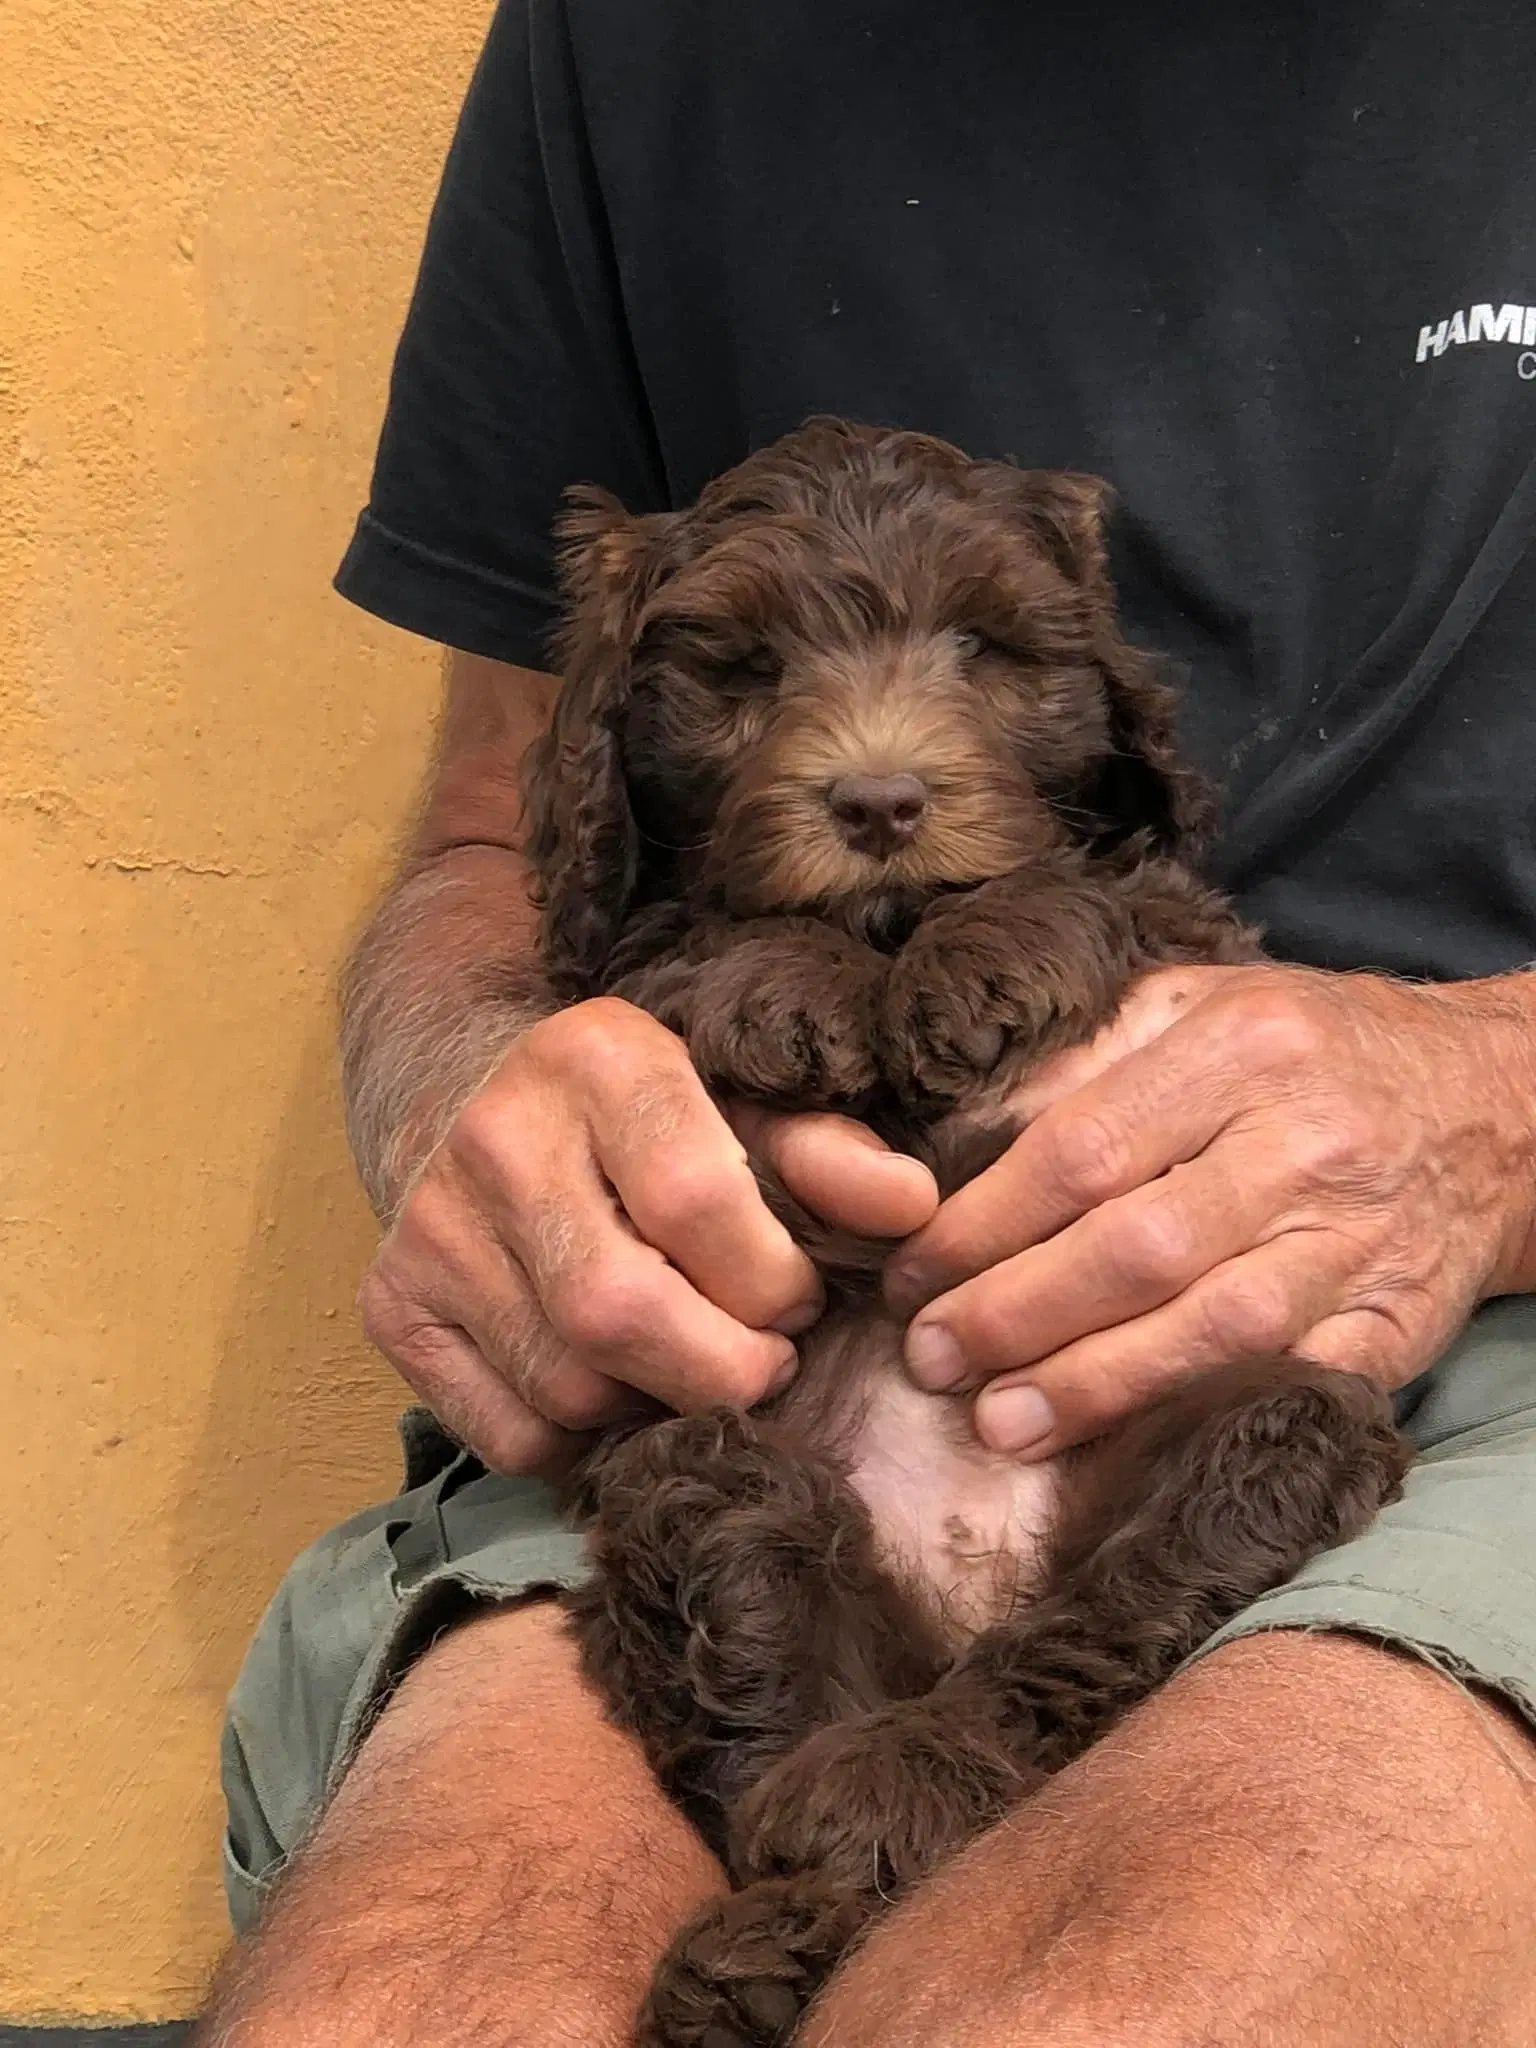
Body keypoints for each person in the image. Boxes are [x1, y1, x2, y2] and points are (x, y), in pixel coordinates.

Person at [200, 1, 1536, 2040]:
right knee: (420, 1995)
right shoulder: (628, 46)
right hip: (740, 1364)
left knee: (1119, 1990)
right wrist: (490, 1098)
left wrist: (1494, 1100)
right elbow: (506, 826)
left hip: (1470, 1335)